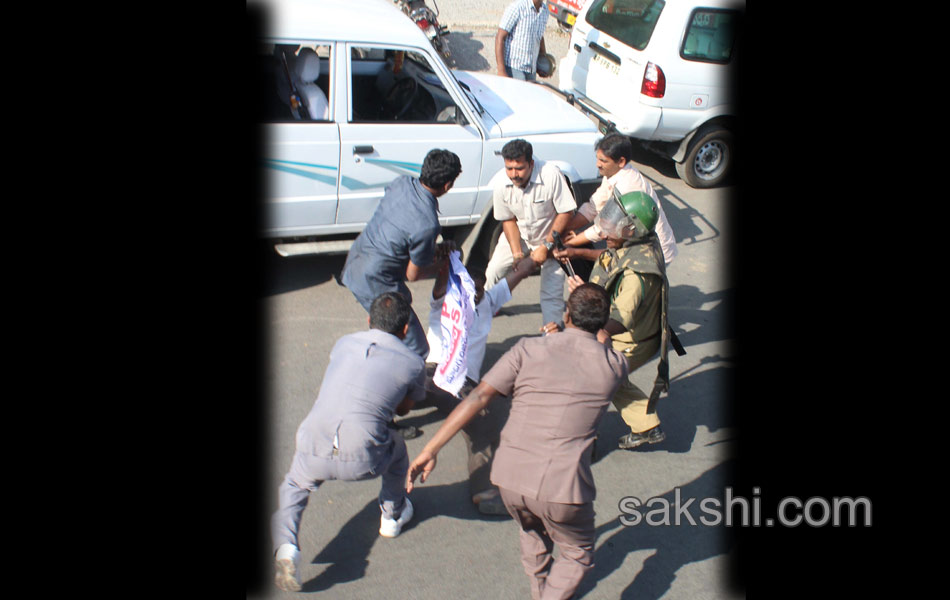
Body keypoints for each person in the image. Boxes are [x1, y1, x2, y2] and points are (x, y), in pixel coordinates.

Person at [407, 283, 628, 600]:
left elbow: (479, 396)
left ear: (566, 312)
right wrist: (598, 330)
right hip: (563, 488)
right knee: (577, 551)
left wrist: (430, 448)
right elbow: (602, 344)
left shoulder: (528, 349)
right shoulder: (613, 365)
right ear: (603, 321)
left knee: (531, 529)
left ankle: (539, 590)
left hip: (509, 478)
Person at [271, 292, 426, 592]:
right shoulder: (413, 363)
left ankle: (287, 548)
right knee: (398, 450)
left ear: (368, 320)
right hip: (362, 456)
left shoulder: (343, 343)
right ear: (405, 329)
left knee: (293, 487)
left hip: (313, 439)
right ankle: (392, 516)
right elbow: (404, 408)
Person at [421, 253, 539, 515]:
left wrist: (536, 255)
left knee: (483, 426)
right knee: (397, 389)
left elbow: (519, 274)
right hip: (431, 373)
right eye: (467, 287)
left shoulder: (488, 300)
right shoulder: (445, 300)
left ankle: (484, 489)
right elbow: (441, 284)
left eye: (478, 287)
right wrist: (446, 263)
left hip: (463, 385)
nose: (473, 293)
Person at [562, 189, 674, 450]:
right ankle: (646, 425)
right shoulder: (640, 243)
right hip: (639, 332)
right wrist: (577, 254)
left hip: (631, 339)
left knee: (591, 376)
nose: (603, 234)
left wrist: (590, 320)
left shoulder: (636, 276)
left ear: (631, 230)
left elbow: (620, 320)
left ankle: (580, 441)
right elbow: (610, 259)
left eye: (611, 229)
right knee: (613, 377)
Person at [340, 149, 463, 360]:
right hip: (375, 280)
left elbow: (399, 229)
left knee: (387, 335)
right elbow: (414, 274)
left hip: (356, 261)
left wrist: (430, 250)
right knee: (416, 348)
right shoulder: (427, 223)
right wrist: (442, 262)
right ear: (447, 185)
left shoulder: (402, 182)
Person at [484, 139, 577, 329]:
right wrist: (517, 253)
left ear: (531, 164)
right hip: (521, 236)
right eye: (509, 168)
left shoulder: (551, 175)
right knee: (493, 272)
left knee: (551, 295)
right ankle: (480, 313)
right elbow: (508, 219)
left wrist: (546, 247)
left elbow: (566, 212)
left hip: (551, 238)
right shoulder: (501, 182)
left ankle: (551, 340)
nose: (513, 174)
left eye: (519, 168)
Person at [560, 133, 678, 266]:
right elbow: (593, 206)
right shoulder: (611, 173)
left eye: (603, 161)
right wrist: (564, 229)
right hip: (629, 240)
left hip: (650, 252)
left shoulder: (627, 187)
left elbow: (604, 229)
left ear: (621, 162)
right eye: (598, 159)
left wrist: (570, 244)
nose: (598, 165)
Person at [495, 0, 548, 81]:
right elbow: (500, 37)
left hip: (531, 71)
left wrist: (542, 63)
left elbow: (539, 37)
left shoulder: (544, 11)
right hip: (513, 68)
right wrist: (501, 71)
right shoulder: (518, 8)